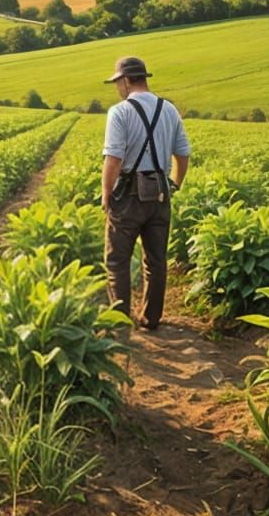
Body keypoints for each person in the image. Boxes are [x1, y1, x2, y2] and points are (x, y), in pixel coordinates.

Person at [101, 55, 190, 332]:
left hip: (128, 194)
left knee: (117, 260)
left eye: (118, 82)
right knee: (156, 260)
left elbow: (113, 159)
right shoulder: (169, 109)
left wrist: (106, 193)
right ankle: (151, 319)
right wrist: (174, 184)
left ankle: (120, 322)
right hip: (160, 193)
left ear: (126, 81)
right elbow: (183, 154)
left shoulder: (120, 111)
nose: (118, 88)